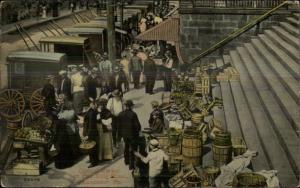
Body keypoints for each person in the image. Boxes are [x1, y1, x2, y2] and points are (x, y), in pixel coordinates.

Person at [55, 99, 81, 168]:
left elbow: (58, 116)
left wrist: (60, 110)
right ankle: (77, 154)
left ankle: (73, 156)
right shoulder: (72, 112)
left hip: (66, 130)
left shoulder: (62, 114)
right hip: (73, 128)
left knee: (70, 144)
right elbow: (76, 117)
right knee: (75, 142)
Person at [118, 100, 141, 170]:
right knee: (132, 149)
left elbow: (119, 126)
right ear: (131, 106)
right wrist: (137, 133)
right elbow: (137, 126)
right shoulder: (133, 114)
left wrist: (120, 135)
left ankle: (126, 161)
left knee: (126, 147)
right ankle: (131, 165)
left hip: (124, 135)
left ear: (125, 106)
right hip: (132, 135)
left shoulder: (120, 114)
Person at [83, 99, 99, 168]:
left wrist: (88, 135)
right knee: (89, 146)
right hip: (89, 132)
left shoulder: (91, 113)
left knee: (92, 147)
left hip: (92, 132)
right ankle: (91, 159)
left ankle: (94, 162)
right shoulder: (89, 111)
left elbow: (91, 125)